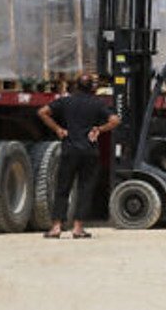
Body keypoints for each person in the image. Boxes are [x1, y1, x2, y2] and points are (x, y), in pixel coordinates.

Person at [38, 73, 120, 239]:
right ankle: (77, 228)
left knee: (62, 188)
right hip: (89, 151)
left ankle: (56, 227)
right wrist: (99, 129)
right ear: (92, 87)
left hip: (69, 149)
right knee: (85, 188)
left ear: (75, 86)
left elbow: (42, 112)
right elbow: (115, 120)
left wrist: (58, 129)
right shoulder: (97, 104)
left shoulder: (66, 101)